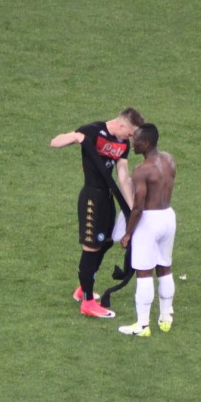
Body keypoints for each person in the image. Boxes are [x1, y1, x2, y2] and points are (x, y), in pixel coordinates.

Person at [50, 108, 144, 318]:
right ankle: (87, 302)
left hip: (108, 199)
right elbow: (55, 142)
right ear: (121, 125)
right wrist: (76, 137)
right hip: (91, 198)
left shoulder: (123, 144)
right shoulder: (93, 131)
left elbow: (122, 176)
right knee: (91, 247)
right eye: (130, 133)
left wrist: (131, 209)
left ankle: (84, 288)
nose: (130, 138)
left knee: (106, 243)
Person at [115, 123, 177, 337]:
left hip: (149, 221)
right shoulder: (169, 159)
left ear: (147, 143)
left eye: (137, 142)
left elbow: (138, 207)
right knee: (165, 267)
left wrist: (128, 233)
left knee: (143, 272)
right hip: (168, 216)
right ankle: (166, 317)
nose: (133, 144)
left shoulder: (142, 170)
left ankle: (142, 325)